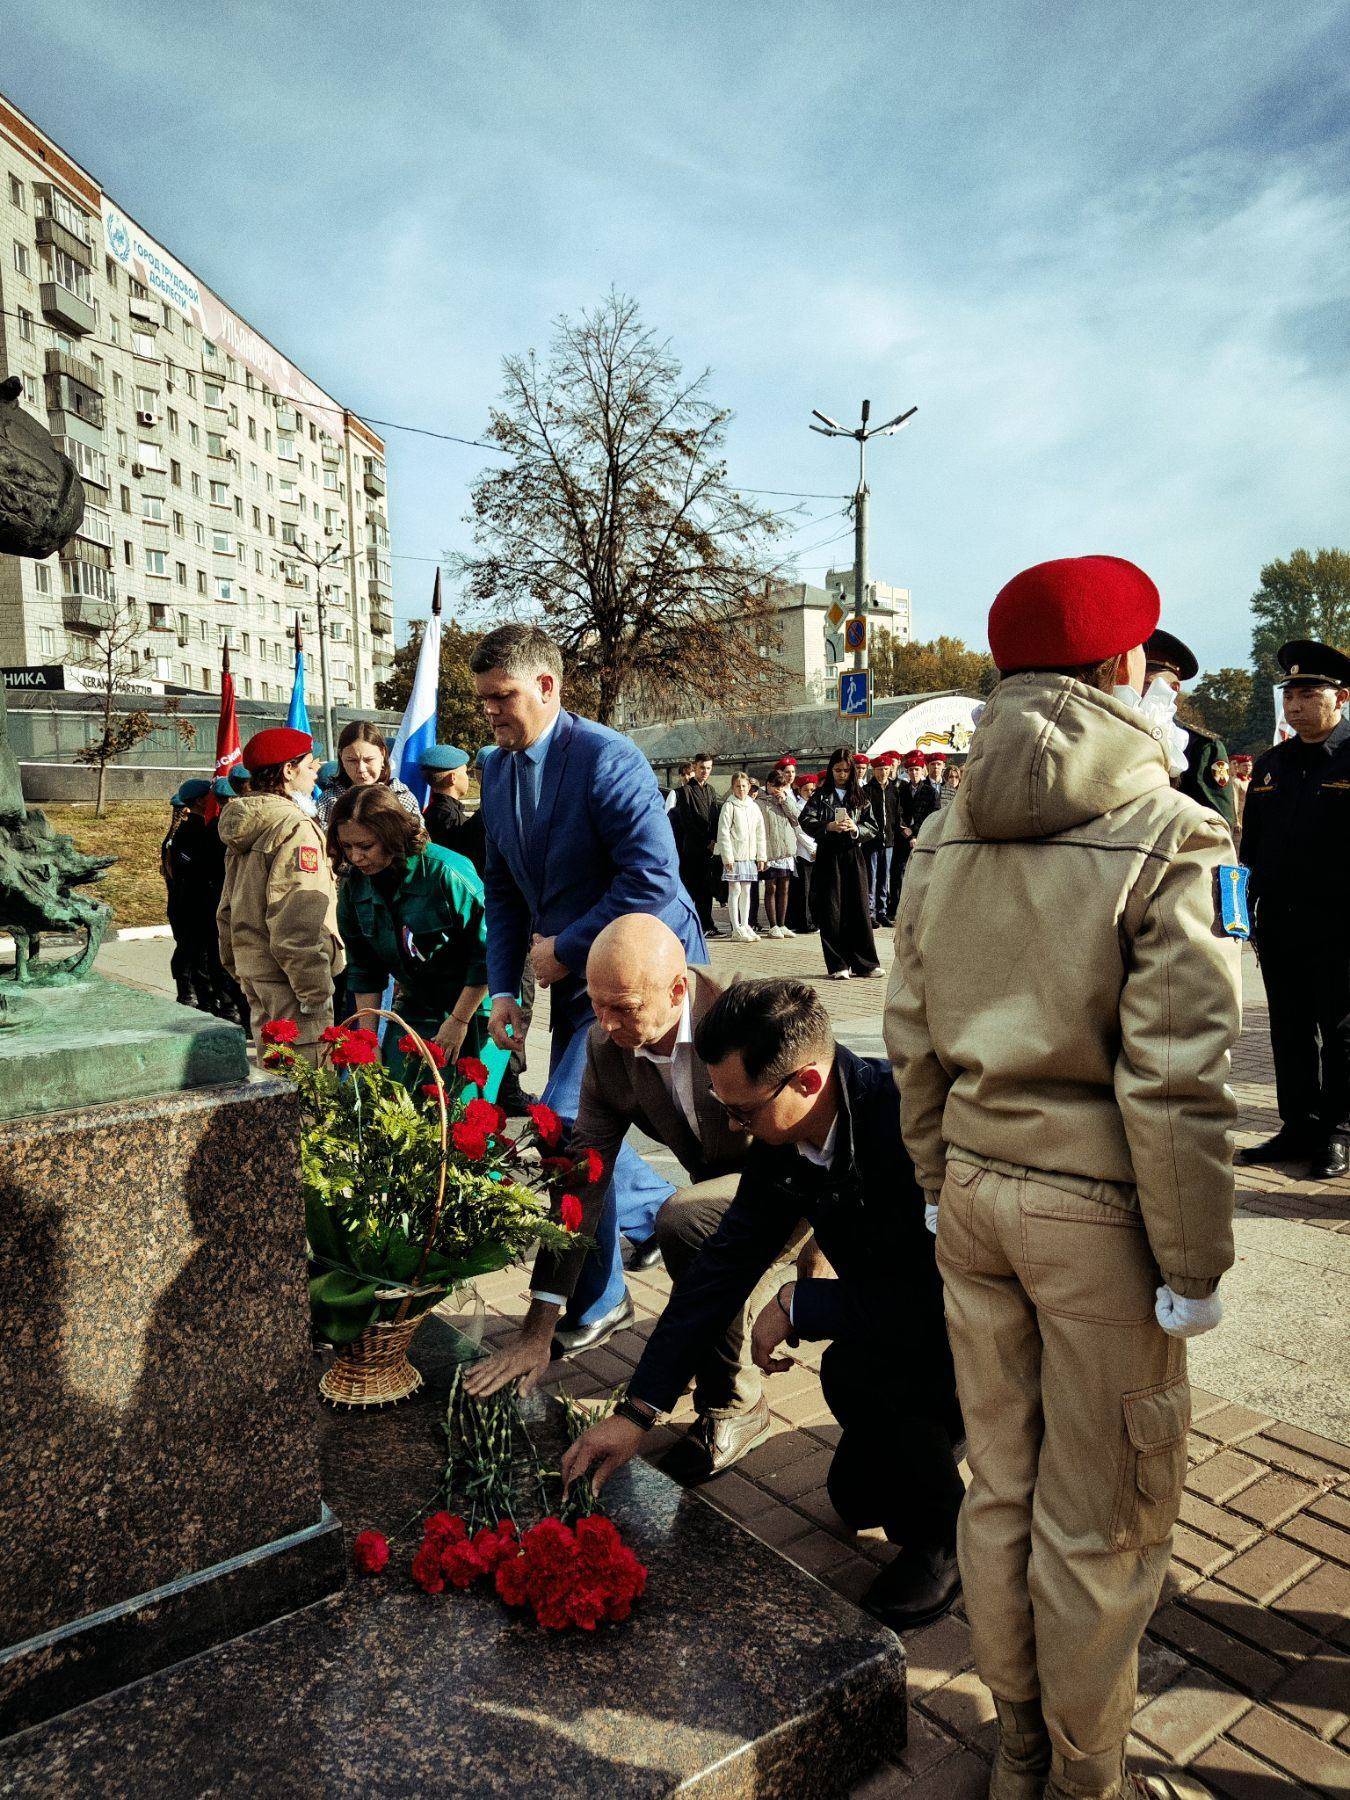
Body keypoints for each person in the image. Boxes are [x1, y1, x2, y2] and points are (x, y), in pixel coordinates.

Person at [887, 554, 1240, 1800]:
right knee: (1105, 1519)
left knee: (1002, 1491)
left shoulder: (943, 825)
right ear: (1126, 667)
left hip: (977, 1192)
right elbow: (1178, 1079)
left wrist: (938, 1176)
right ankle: (1085, 1781)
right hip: (1099, 1219)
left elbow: (911, 1031)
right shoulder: (1171, 829)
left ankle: (1021, 1746)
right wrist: (1194, 1261)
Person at [562, 978, 964, 1632]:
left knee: (855, 1373)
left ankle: (947, 1541)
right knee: (855, 1498)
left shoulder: (909, 1124)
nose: (731, 1125)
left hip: (977, 1337)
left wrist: (804, 1303)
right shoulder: (789, 1136)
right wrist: (637, 1411)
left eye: (743, 1112)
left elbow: (945, 1300)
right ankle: (937, 1435)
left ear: (806, 1082)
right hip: (896, 1323)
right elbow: (720, 1269)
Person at [464, 916, 818, 1483]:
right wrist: (537, 1331)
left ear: (677, 990)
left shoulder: (751, 1013)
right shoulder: (606, 1046)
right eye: (596, 1004)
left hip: (799, 1185)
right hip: (723, 1195)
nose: (605, 1024)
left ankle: (734, 1403)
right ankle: (715, 1367)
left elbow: (825, 1125)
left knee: (684, 1222)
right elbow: (584, 1181)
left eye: (623, 1007)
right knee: (694, 1227)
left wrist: (817, 1256)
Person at [471, 623, 708, 1352]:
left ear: (547, 686)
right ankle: (639, 1232)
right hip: (570, 978)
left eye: (502, 696)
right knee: (578, 1120)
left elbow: (653, 878)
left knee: (574, 1121)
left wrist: (565, 949)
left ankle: (609, 1288)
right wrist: (504, 992)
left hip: (646, 973)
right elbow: (503, 890)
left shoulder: (608, 758)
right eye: (483, 700)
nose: (490, 712)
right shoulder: (496, 768)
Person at [1238, 637, 1350, 1179]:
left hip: (1340, 925)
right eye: (1289, 695)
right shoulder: (1271, 765)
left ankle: (1338, 1130)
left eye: (1308, 694)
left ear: (1341, 697)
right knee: (1290, 1027)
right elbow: (1251, 849)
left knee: (1342, 1031)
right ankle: (1298, 1125)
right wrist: (1241, 908)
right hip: (1280, 923)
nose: (1295, 706)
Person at [328, 783, 494, 1090]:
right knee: (396, 1092)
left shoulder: (446, 872)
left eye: (365, 846)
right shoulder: (355, 889)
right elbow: (364, 970)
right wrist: (368, 1041)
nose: (356, 857)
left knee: (455, 1102)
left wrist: (458, 1021)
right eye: (347, 847)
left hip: (477, 1005)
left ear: (392, 835)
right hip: (417, 1002)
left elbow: (489, 951)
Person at [218, 726, 344, 1062]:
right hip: (293, 984)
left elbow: (227, 911)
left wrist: (240, 967)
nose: (316, 773)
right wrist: (314, 991)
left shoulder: (250, 823)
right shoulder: (294, 827)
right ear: (289, 770)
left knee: (275, 1076)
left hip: (259, 972)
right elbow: (296, 919)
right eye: (310, 765)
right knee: (308, 1085)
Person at [798, 749, 880, 980]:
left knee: (859, 908)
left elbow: (873, 826)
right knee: (831, 910)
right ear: (831, 770)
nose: (842, 774)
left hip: (853, 854)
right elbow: (805, 819)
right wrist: (828, 826)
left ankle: (865, 964)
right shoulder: (821, 795)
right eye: (837, 770)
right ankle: (838, 964)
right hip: (828, 855)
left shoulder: (860, 795)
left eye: (846, 770)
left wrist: (856, 829)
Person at [1143, 630, 1237, 830]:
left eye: (1148, 684)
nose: (1140, 692)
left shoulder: (1201, 747)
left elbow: (1218, 825)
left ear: (1174, 688)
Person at [315, 720, 421, 830]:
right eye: (352, 760)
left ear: (382, 754)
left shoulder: (402, 799)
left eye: (369, 760)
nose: (361, 769)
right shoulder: (327, 801)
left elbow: (419, 838)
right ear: (341, 757)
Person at [668, 751, 719, 937]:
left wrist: (714, 840)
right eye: (702, 768)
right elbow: (687, 822)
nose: (705, 772)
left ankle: (707, 924)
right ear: (695, 768)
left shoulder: (711, 790)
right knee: (691, 888)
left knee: (706, 888)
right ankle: (686, 926)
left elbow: (714, 817)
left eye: (708, 768)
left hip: (708, 848)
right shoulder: (685, 792)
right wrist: (705, 841)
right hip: (692, 848)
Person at [715, 770, 766, 942]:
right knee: (735, 890)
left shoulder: (753, 806)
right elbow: (723, 833)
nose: (741, 789)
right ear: (733, 787)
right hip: (735, 857)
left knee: (746, 890)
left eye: (744, 786)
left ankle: (745, 924)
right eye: (738, 786)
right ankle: (736, 927)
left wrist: (761, 856)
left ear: (749, 787)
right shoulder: (729, 806)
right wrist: (727, 857)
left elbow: (760, 833)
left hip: (749, 857)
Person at [419, 743, 486, 873]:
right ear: (453, 778)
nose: (467, 778)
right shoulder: (449, 817)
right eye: (465, 772)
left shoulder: (434, 811)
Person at [757, 767, 800, 940]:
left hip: (785, 849)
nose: (778, 790)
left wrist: (785, 801)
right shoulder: (759, 801)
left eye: (781, 786)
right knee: (771, 888)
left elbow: (797, 818)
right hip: (769, 850)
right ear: (768, 784)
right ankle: (773, 925)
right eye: (775, 786)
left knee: (785, 887)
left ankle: (782, 924)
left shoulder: (787, 799)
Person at [863, 752, 899, 925]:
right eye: (879, 769)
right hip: (871, 841)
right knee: (872, 876)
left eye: (885, 769)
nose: (883, 773)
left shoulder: (894, 789)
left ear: (890, 769)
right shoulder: (867, 790)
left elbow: (897, 814)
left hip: (889, 840)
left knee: (885, 877)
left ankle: (882, 911)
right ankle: (870, 912)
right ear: (874, 771)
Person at [1229, 752, 1253, 843]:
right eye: (1245, 765)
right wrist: (1236, 821)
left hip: (1251, 817)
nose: (1247, 768)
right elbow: (1234, 801)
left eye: (1249, 766)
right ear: (1238, 767)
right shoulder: (1235, 781)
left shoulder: (1251, 781)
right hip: (1240, 818)